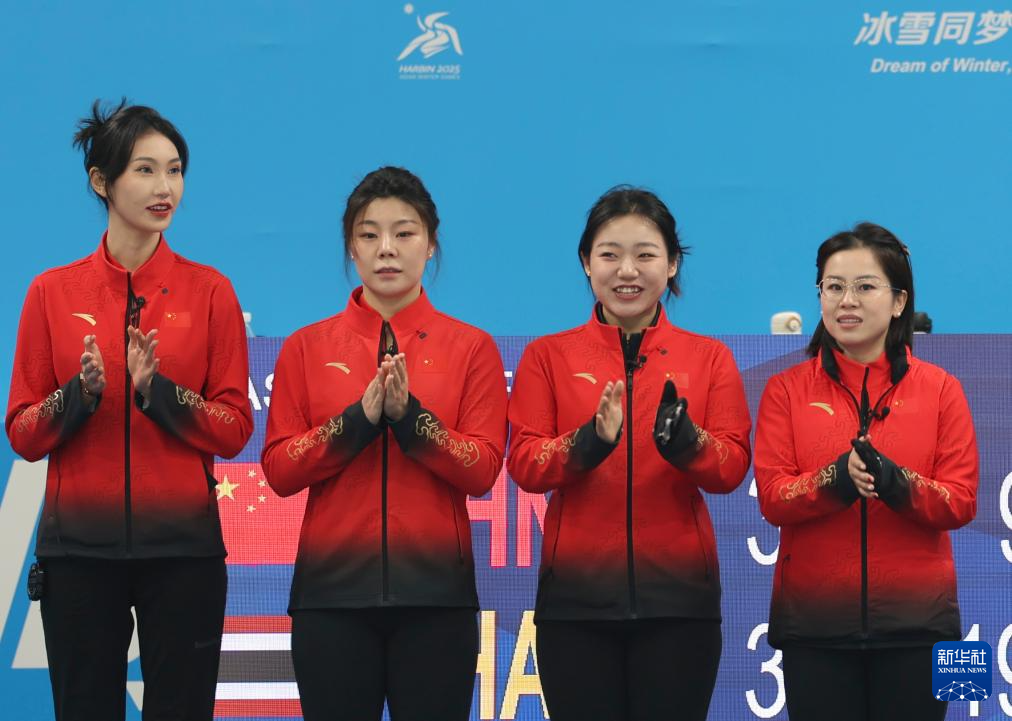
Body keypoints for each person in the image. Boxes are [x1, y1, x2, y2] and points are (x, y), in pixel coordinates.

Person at [5, 100, 254, 721]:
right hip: (78, 557)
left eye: (175, 170)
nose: (165, 187)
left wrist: (159, 392)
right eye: (145, 170)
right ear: (101, 181)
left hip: (184, 554)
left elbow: (234, 428)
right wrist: (79, 395)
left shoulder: (211, 290)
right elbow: (24, 433)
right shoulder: (51, 291)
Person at [261, 166, 507, 721]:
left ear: (431, 243)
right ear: (351, 247)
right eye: (369, 235)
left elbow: (483, 468)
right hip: (330, 598)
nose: (387, 249)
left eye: (404, 233)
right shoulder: (306, 347)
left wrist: (410, 418)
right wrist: (359, 420)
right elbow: (279, 469)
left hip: (436, 599)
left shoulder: (472, 348)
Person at [507, 186, 752, 721]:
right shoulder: (547, 356)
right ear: (586, 262)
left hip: (679, 604)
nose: (627, 271)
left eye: (645, 254)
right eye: (610, 254)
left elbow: (732, 466)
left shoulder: (709, 358)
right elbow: (525, 463)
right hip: (575, 605)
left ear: (672, 264)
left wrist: (688, 443)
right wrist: (590, 440)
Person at [754, 222, 978, 721]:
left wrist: (894, 482)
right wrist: (838, 479)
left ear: (899, 301)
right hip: (814, 628)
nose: (846, 301)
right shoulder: (784, 390)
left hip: (923, 627)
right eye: (833, 287)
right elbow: (773, 497)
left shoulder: (942, 389)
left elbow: (961, 502)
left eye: (865, 286)